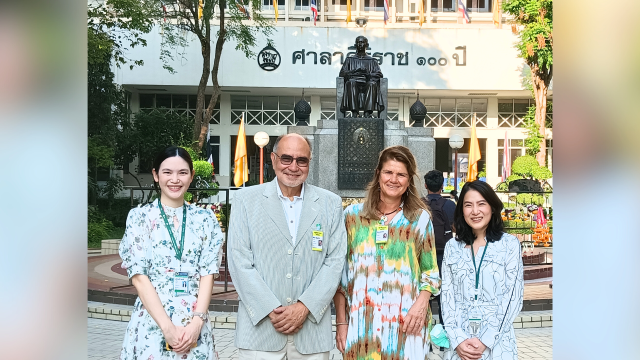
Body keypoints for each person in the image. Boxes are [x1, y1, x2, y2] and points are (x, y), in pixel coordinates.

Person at [228, 133, 347, 360]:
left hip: (311, 333)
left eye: (301, 160)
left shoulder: (330, 203)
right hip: (260, 332)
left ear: (309, 163)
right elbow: (239, 260)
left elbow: (335, 261)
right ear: (273, 159)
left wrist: (304, 307)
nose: (294, 166)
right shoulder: (245, 200)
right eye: (286, 158)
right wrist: (271, 309)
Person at [333, 145, 441, 359]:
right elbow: (340, 276)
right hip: (362, 326)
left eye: (401, 174)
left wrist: (420, 306)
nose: (394, 179)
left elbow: (430, 273)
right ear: (378, 174)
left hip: (406, 324)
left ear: (409, 180)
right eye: (388, 172)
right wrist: (341, 323)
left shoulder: (419, 220)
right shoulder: (352, 217)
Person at [118, 146, 224, 360]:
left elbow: (208, 273)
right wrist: (167, 328)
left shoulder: (206, 219)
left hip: (194, 325)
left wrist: (197, 323)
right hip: (152, 323)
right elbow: (139, 277)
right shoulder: (140, 217)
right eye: (167, 172)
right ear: (156, 175)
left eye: (182, 173)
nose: (175, 179)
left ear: (191, 176)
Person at [441, 181, 524, 360]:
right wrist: (457, 339)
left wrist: (486, 340)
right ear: (461, 210)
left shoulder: (509, 245)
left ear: (492, 208)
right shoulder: (452, 247)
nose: (475, 211)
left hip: (498, 343)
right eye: (468, 205)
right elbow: (447, 297)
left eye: (481, 204)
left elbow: (513, 298)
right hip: (460, 345)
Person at [422, 170, 456, 328]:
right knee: (444, 298)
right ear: (442, 186)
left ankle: (426, 339)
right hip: (445, 256)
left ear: (425, 185)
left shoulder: (419, 205)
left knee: (424, 296)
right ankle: (444, 337)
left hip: (424, 257)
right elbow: (457, 228)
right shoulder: (450, 205)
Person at [339, 36, 385, 118]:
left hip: (366, 84)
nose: (360, 44)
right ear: (355, 45)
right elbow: (342, 73)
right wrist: (354, 71)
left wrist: (368, 74)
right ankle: (354, 113)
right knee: (351, 83)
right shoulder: (349, 60)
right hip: (354, 84)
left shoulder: (372, 61)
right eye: (358, 42)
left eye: (362, 42)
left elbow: (379, 74)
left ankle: (367, 113)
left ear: (366, 45)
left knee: (372, 84)